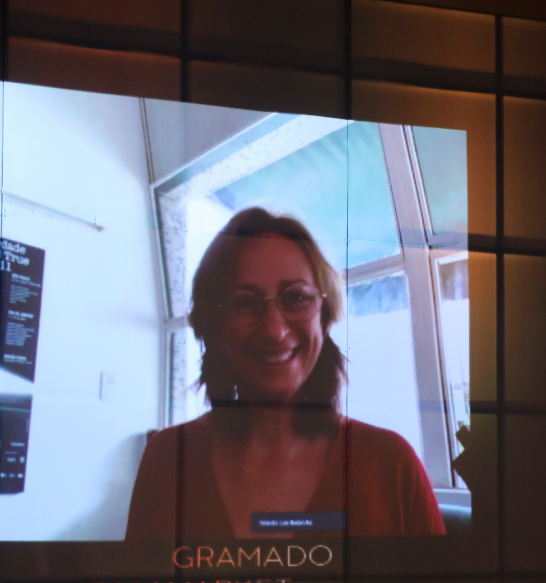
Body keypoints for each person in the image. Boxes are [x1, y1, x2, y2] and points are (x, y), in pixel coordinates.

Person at [125, 208, 445, 540]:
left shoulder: (391, 466)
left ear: (325, 316)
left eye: (296, 297)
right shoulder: (167, 460)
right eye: (246, 303)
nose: (275, 331)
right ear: (215, 325)